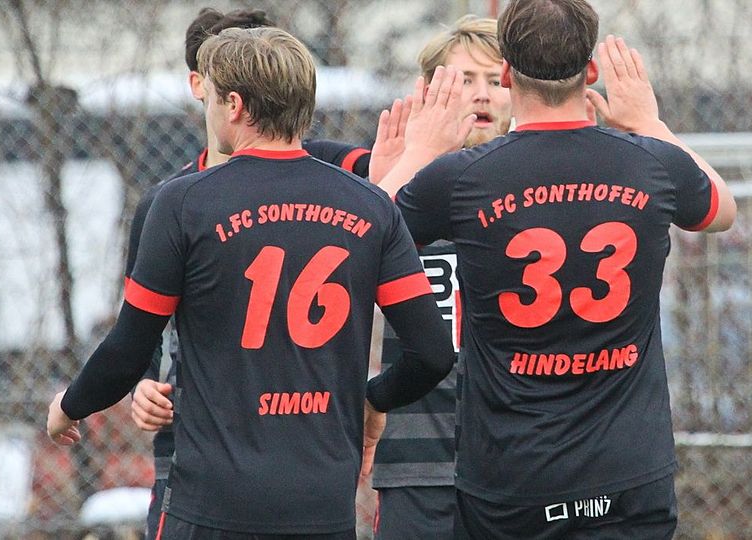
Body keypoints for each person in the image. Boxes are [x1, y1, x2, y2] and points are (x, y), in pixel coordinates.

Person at [48, 26, 456, 538]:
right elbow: (432, 353)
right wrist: (374, 400)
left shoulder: (183, 203)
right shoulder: (369, 205)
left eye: (213, 97)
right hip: (322, 503)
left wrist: (69, 406)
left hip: (211, 502)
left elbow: (129, 349)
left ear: (235, 106)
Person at [375, 0, 737, 536]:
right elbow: (722, 210)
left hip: (512, 477)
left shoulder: (463, 177)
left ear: (506, 72)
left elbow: (359, 238)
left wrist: (418, 151)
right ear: (590, 71)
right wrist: (650, 123)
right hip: (629, 472)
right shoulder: (650, 161)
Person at [123, 8, 276, 538]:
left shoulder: (320, 183)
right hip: (194, 447)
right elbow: (139, 328)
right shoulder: (169, 204)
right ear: (201, 85)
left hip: (293, 437)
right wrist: (143, 384)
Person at [368, 15, 511, 540]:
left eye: (495, 80)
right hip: (417, 463)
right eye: (464, 80)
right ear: (429, 93)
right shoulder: (401, 186)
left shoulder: (529, 187)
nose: (482, 94)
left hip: (515, 462)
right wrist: (391, 174)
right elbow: (344, 267)